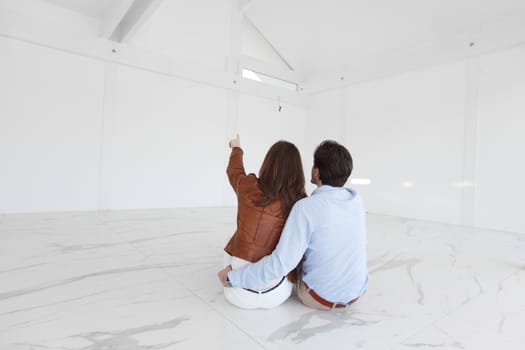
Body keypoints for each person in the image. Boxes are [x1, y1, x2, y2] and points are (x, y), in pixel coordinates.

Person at [218, 140, 368, 310]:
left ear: (316, 172)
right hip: (356, 293)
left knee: (292, 248)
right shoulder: (356, 201)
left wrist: (233, 278)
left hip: (317, 298)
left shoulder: (304, 207)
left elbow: (282, 263)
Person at [221, 134, 307, 309]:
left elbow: (234, 171)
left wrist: (236, 148)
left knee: (239, 235)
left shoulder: (248, 186)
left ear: (267, 163)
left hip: (235, 292)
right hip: (276, 295)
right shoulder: (300, 203)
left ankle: (234, 268)